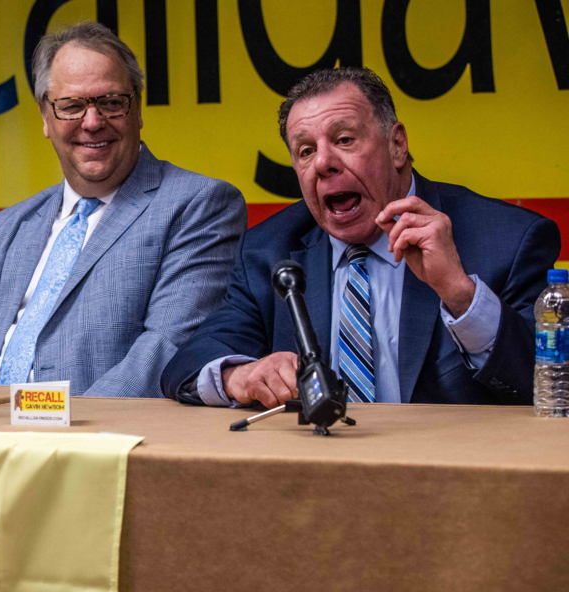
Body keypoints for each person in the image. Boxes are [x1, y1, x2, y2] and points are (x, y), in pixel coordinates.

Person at [161, 67, 561, 407]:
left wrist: (459, 293)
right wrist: (239, 375)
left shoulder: (508, 239)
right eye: (304, 151)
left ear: (397, 145)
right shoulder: (270, 250)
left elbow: (549, 385)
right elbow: (189, 363)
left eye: (344, 140)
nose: (322, 163)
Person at [0, 22, 246, 397]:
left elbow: (165, 348)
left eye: (111, 103)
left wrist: (69, 436)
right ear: (46, 117)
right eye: (72, 106)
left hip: (92, 442)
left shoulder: (198, 205)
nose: (92, 123)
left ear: (138, 109)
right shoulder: (7, 228)